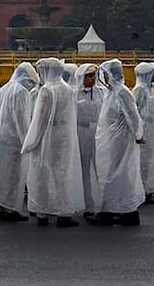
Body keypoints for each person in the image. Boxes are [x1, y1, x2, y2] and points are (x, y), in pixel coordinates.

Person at [22, 58, 85, 227]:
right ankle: (63, 211)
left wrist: (30, 142)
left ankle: (42, 210)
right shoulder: (68, 89)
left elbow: (40, 120)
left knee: (43, 171)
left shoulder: (46, 91)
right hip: (64, 135)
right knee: (62, 173)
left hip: (47, 137)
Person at [91, 59, 146, 226]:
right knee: (117, 175)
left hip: (120, 141)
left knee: (116, 174)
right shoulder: (112, 92)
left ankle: (111, 211)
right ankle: (123, 211)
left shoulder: (122, 92)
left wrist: (138, 134)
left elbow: (133, 115)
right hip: (112, 140)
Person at [0, 62, 39, 221]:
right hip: (14, 139)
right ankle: (10, 208)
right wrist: (27, 141)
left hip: (2, 136)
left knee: (3, 174)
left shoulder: (5, 87)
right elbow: (21, 119)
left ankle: (3, 206)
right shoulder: (20, 91)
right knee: (13, 175)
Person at [73, 63, 104, 218]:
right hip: (80, 133)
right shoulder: (74, 94)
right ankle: (87, 204)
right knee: (84, 169)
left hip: (97, 133)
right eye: (89, 76)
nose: (92, 79)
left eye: (94, 76)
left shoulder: (100, 92)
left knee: (100, 168)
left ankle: (102, 203)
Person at [133, 62, 154, 204]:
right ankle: (142, 191)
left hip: (150, 130)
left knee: (149, 160)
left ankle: (147, 189)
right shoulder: (140, 89)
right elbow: (134, 111)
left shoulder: (147, 89)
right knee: (143, 161)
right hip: (144, 130)